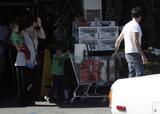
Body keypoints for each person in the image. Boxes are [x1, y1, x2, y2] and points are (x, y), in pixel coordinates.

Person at [113, 7, 148, 77]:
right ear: (140, 16)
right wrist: (142, 55)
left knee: (132, 74)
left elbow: (118, 41)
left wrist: (115, 52)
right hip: (134, 53)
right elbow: (136, 41)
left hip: (127, 54)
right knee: (140, 74)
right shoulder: (136, 25)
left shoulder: (126, 26)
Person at [23, 16, 46, 102]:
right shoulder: (24, 31)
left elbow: (43, 37)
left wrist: (40, 25)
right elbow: (15, 40)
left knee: (36, 79)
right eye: (36, 21)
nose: (37, 23)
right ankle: (27, 97)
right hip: (26, 59)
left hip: (35, 59)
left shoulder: (36, 31)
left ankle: (33, 97)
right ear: (32, 22)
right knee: (27, 80)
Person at [10, 22, 32, 106]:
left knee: (23, 81)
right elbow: (18, 47)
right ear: (12, 28)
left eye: (18, 27)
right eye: (16, 27)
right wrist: (23, 48)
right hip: (20, 60)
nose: (17, 28)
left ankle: (23, 99)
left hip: (22, 59)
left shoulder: (17, 35)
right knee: (21, 82)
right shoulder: (14, 35)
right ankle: (21, 100)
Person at [0, 18, 9, 83]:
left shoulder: (4, 27)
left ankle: (1, 78)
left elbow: (7, 37)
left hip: (2, 51)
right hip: (2, 48)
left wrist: (6, 44)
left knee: (3, 65)